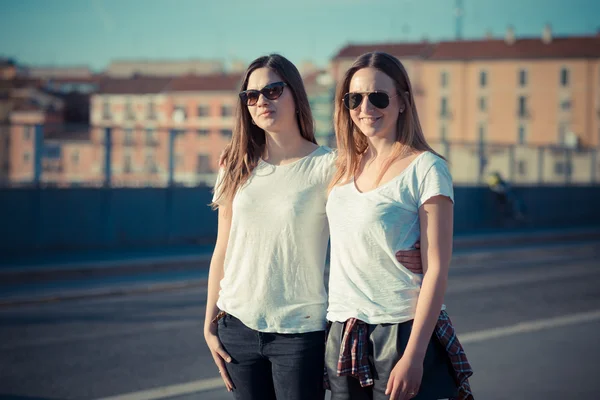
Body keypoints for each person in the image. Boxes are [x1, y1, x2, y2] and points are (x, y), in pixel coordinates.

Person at [204, 53, 425, 400]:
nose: (262, 101)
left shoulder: (332, 165)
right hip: (236, 327)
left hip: (300, 332)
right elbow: (223, 247)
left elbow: (379, 204)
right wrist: (209, 322)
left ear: (295, 94)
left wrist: (421, 248)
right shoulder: (235, 164)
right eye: (252, 95)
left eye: (273, 91)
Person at [324, 52, 473, 400]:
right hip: (343, 330)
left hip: (401, 329)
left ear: (403, 102)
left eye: (378, 97)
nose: (365, 107)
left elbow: (437, 268)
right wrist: (243, 152)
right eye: (354, 98)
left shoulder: (427, 168)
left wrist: (414, 357)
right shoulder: (339, 167)